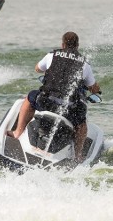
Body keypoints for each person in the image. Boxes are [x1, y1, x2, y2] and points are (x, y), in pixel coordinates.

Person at [7, 31, 101, 162]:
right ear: (77, 45)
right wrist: (96, 89)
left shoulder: (52, 55)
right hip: (68, 110)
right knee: (81, 123)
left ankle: (17, 132)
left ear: (62, 44)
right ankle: (78, 155)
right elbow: (93, 87)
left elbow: (37, 69)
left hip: (46, 103)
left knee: (30, 97)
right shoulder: (85, 64)